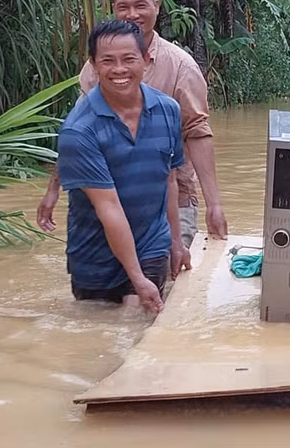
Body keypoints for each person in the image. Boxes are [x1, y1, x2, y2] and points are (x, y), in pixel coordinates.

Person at [37, 0, 228, 247]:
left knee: (163, 279)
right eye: (123, 7)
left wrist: (214, 205)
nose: (132, 15)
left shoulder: (180, 67)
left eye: (141, 6)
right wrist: (53, 189)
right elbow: (77, 132)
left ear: (157, 7)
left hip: (171, 200)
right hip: (109, 198)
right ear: (113, 9)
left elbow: (197, 133)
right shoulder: (96, 67)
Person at [57, 20, 191, 313]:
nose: (119, 69)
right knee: (102, 343)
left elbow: (168, 180)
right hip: (94, 259)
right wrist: (135, 276)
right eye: (108, 61)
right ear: (93, 66)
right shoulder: (79, 131)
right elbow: (109, 209)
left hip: (151, 244)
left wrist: (176, 243)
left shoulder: (168, 110)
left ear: (145, 61)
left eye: (128, 59)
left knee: (134, 326)